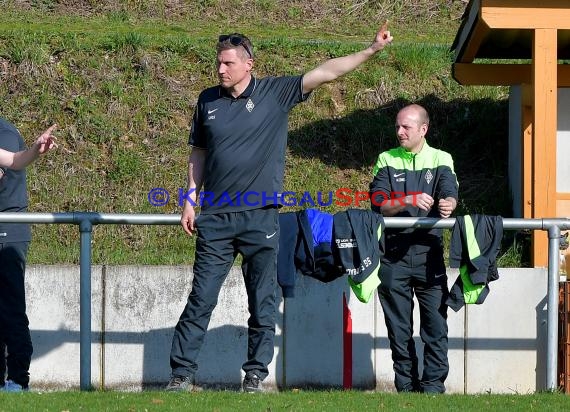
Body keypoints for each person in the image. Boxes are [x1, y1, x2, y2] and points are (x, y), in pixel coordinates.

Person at [167, 25, 393, 393]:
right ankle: (181, 375)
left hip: (261, 218)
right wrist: (190, 199)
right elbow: (199, 153)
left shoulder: (275, 92)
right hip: (216, 219)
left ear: (248, 64)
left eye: (227, 63)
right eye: (218, 63)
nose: (220, 70)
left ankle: (255, 376)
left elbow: (326, 71)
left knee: (262, 301)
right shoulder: (207, 100)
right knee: (200, 298)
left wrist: (369, 50)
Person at [368, 104, 458, 393]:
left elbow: (449, 192)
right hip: (392, 254)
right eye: (397, 126)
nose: (399, 132)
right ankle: (406, 387)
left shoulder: (441, 158)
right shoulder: (385, 159)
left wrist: (449, 204)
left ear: (423, 129)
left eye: (406, 127)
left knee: (435, 325)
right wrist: (409, 199)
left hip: (429, 253)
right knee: (399, 329)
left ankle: (433, 388)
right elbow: (378, 203)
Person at [0, 119, 57, 392]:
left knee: (11, 310)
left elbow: (12, 161)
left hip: (7, 233)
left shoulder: (4, 132)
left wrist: (35, 151)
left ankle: (18, 379)